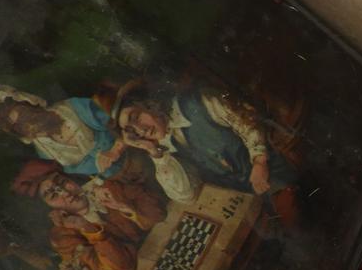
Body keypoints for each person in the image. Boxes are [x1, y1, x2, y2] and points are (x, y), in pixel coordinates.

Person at [112, 82, 291, 204]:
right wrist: (154, 152)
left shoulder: (195, 104)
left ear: (149, 103)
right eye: (131, 131)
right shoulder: (167, 147)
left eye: (136, 117)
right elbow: (186, 196)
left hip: (278, 172)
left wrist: (260, 160)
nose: (141, 130)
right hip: (249, 198)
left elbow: (246, 120)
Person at [11, 160, 165, 270]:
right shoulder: (63, 236)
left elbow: (160, 215)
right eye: (52, 195)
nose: (65, 192)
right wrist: (86, 227)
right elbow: (121, 268)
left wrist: (123, 206)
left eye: (63, 182)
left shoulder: (108, 188)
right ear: (50, 209)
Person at [0, 85, 127, 179]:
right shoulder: (45, 151)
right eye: (19, 126)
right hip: (116, 180)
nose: (29, 124)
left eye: (25, 115)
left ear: (33, 104)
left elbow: (122, 125)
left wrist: (115, 150)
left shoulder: (74, 108)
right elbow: (85, 172)